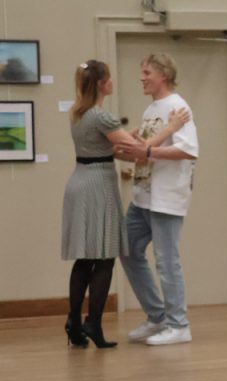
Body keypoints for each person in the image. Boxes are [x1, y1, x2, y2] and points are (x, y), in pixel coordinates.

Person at [60, 60, 186, 348]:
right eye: (110, 78)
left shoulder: (78, 113)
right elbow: (138, 153)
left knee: (84, 259)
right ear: (103, 83)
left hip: (79, 181)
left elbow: (108, 147)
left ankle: (74, 321)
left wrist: (129, 142)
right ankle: (93, 323)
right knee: (104, 257)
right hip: (98, 187)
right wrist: (171, 128)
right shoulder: (102, 117)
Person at [113, 53, 199, 346]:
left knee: (166, 261)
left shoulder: (178, 107)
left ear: (163, 74)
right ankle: (157, 316)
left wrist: (147, 152)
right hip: (142, 197)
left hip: (166, 198)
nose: (142, 77)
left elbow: (188, 150)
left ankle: (179, 325)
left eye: (147, 72)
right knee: (127, 249)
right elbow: (141, 145)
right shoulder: (152, 109)